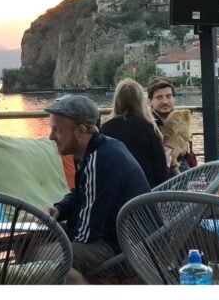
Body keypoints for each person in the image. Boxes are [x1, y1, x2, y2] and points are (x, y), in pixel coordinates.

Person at [45, 94, 150, 284]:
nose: (51, 137)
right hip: (131, 241)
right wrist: (59, 210)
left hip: (129, 250)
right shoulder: (102, 149)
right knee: (34, 242)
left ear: (80, 131)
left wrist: (51, 234)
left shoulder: (99, 160)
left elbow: (86, 234)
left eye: (57, 130)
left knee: (44, 255)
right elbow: (80, 193)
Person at [100, 79, 169, 187]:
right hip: (145, 195)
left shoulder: (105, 129)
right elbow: (161, 174)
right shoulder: (148, 128)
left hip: (115, 195)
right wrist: (168, 163)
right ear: (141, 100)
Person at [146, 77, 197, 171]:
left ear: (174, 98)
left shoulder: (182, 122)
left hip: (186, 176)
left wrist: (185, 153)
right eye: (159, 97)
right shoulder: (146, 125)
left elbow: (192, 161)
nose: (165, 102)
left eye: (169, 96)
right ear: (150, 101)